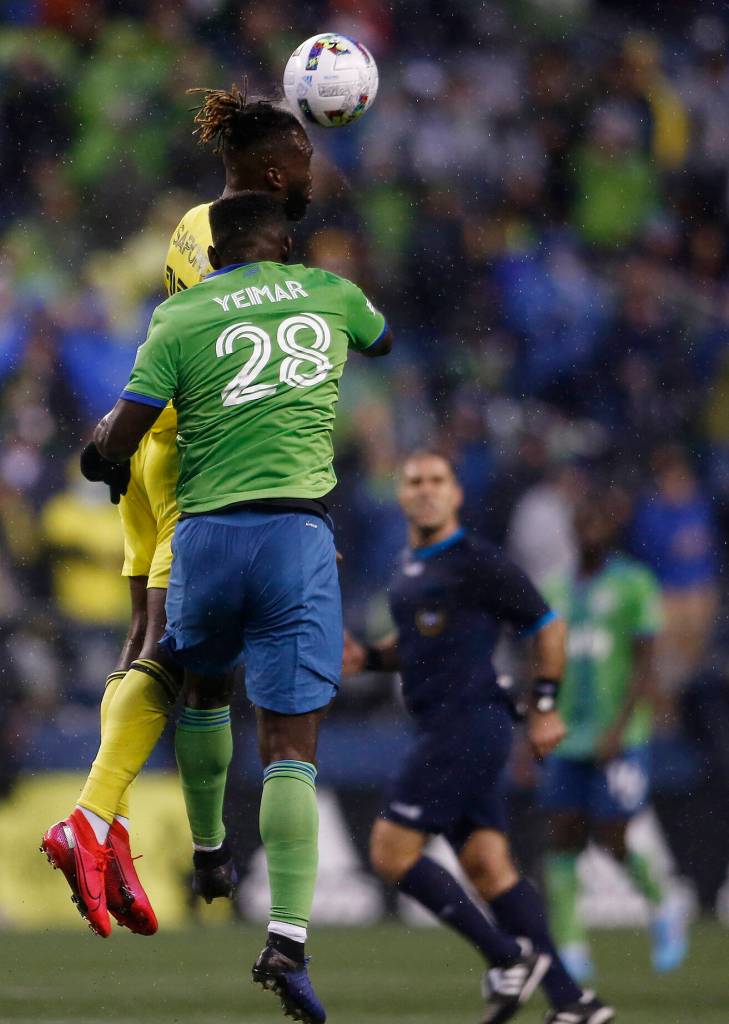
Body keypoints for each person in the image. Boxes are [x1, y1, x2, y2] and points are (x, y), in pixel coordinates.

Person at [51, 193, 391, 1023]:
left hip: (174, 492)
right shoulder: (319, 292)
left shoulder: (177, 318)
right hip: (260, 506)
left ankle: (171, 837)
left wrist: (98, 454)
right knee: (287, 743)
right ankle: (282, 935)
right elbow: (372, 340)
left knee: (172, 661)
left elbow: (113, 441)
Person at [41, 88, 315, 935]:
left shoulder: (197, 226)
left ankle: (113, 827)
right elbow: (225, 373)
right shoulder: (244, 254)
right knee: (177, 648)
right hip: (196, 466)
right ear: (275, 171)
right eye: (304, 156)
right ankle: (91, 817)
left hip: (151, 446)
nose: (314, 169)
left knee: (147, 641)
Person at [343, 451, 614, 1024]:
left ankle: (508, 957)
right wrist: (368, 656)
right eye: (414, 481)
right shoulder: (407, 564)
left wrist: (545, 706)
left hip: (466, 724)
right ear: (401, 494)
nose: (425, 490)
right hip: (448, 725)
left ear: (456, 493)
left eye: (437, 480)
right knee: (489, 866)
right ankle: (573, 1002)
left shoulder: (477, 561)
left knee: (390, 852)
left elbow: (548, 626)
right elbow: (414, 645)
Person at [541, 488, 689, 980]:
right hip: (568, 734)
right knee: (562, 834)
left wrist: (619, 729)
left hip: (619, 735)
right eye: (581, 522)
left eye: (597, 522)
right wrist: (536, 721)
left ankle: (663, 904)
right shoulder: (556, 587)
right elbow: (542, 660)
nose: (589, 531)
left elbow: (646, 664)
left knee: (612, 835)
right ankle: (571, 947)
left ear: (610, 527)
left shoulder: (633, 583)